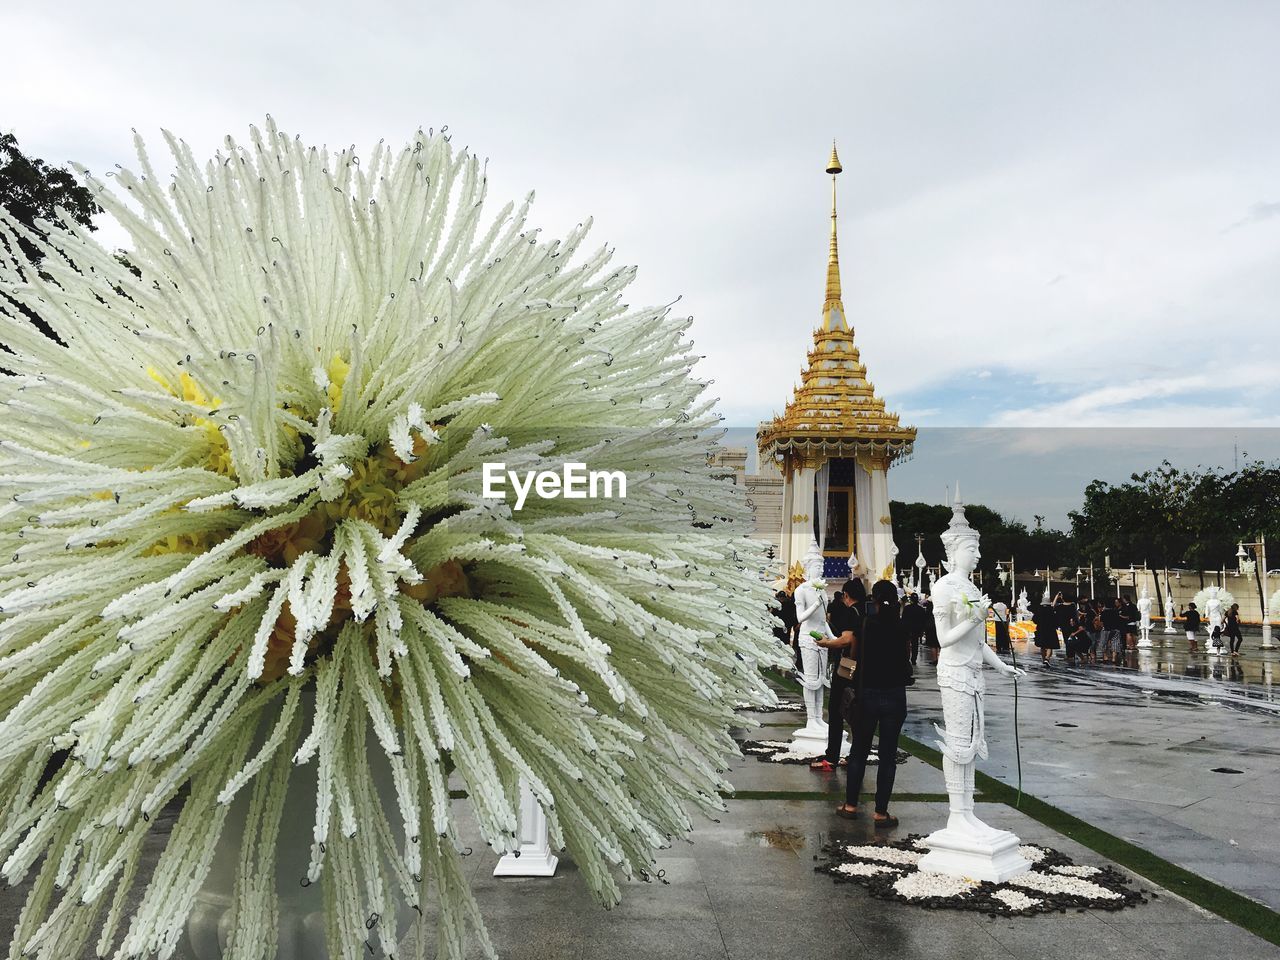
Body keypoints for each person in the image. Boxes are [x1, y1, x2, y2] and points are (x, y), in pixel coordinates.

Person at [835, 579, 911, 825]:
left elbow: (853, 656)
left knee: (859, 751)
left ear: (873, 600)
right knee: (888, 756)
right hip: (895, 695)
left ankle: (850, 805)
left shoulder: (865, 624)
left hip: (867, 693)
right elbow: (906, 658)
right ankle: (880, 812)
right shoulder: (901, 626)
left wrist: (845, 680)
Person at [812, 581, 864, 771]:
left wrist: (825, 643)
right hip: (864, 666)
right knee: (857, 710)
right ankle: (856, 754)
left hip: (849, 665)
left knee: (836, 707)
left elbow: (846, 640)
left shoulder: (852, 612)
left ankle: (832, 755)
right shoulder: (868, 610)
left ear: (846, 595)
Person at [902, 593, 930, 664]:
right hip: (917, 629)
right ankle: (913, 659)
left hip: (907, 629)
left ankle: (906, 658)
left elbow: (903, 619)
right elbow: (924, 620)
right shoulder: (921, 609)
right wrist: (922, 630)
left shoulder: (907, 608)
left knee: (907, 644)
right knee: (915, 644)